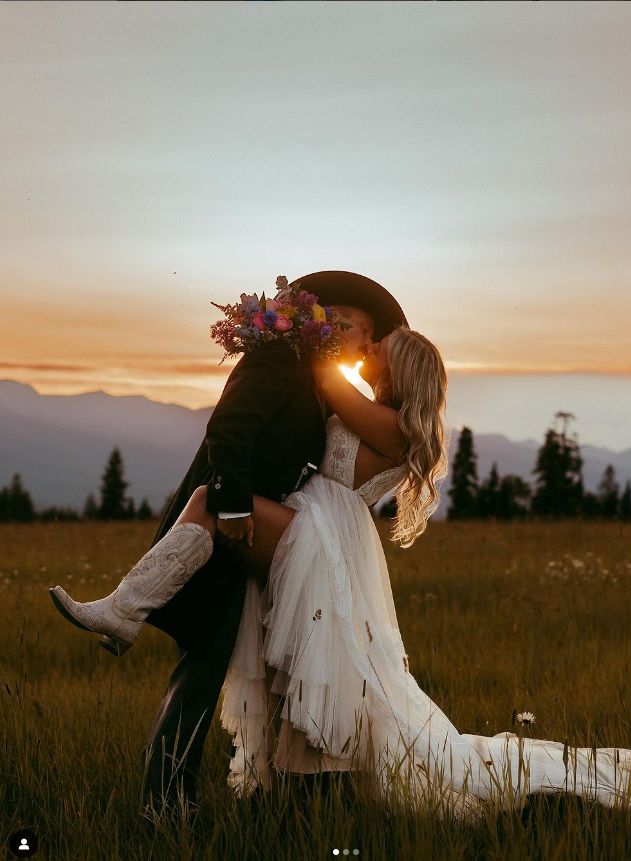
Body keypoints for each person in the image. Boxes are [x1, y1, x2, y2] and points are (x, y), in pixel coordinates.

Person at [209, 327, 631, 819]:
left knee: (328, 661)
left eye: (382, 346)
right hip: (322, 534)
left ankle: (313, 796)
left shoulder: (391, 425)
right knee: (319, 659)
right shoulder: (381, 415)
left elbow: (324, 378)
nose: (371, 346)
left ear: (402, 370)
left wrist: (286, 327)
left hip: (328, 535)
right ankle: (301, 790)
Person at [48, 269, 408, 821]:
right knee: (201, 667)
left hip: (253, 540)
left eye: (359, 331)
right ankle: (166, 803)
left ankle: (195, 797)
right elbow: (230, 430)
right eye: (346, 323)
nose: (356, 338)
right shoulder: (276, 360)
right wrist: (237, 505)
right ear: (317, 319)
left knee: (216, 667)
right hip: (224, 529)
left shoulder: (316, 378)